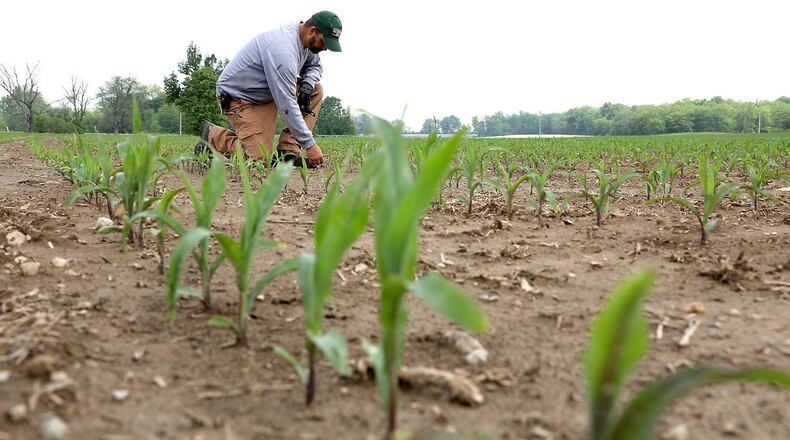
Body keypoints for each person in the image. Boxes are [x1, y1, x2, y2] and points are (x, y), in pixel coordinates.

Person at [196, 11, 343, 168]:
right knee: (258, 160)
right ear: (312, 30)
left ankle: (288, 152)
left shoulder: (306, 42)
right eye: (324, 42)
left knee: (315, 90)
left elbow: (315, 66)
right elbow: (286, 103)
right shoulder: (283, 49)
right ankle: (212, 136)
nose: (325, 48)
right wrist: (310, 145)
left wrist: (307, 83)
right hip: (240, 98)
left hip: (267, 94)